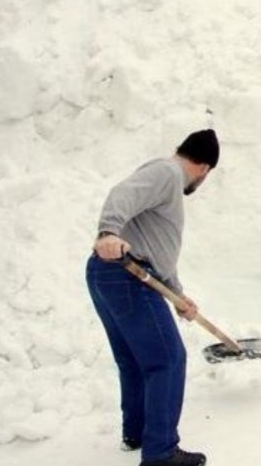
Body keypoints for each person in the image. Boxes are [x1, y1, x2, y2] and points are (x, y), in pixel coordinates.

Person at [86, 129, 219, 466]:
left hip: (111, 273)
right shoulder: (168, 173)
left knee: (133, 358)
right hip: (128, 274)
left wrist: (178, 296)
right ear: (204, 168)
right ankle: (160, 452)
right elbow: (122, 194)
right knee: (169, 360)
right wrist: (108, 232)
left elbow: (159, 249)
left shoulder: (167, 180)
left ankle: (138, 432)